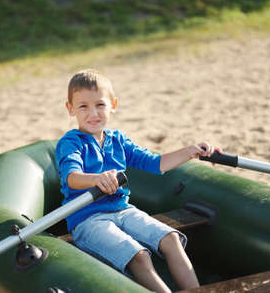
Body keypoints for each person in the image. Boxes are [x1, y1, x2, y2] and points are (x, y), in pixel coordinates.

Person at [55, 69, 216, 293]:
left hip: (123, 210)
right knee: (139, 256)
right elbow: (72, 177)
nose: (93, 113)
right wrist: (97, 179)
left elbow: (156, 163)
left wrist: (191, 151)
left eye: (100, 105)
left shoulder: (118, 140)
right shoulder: (71, 142)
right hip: (88, 219)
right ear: (70, 109)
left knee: (171, 239)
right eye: (83, 106)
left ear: (113, 104)